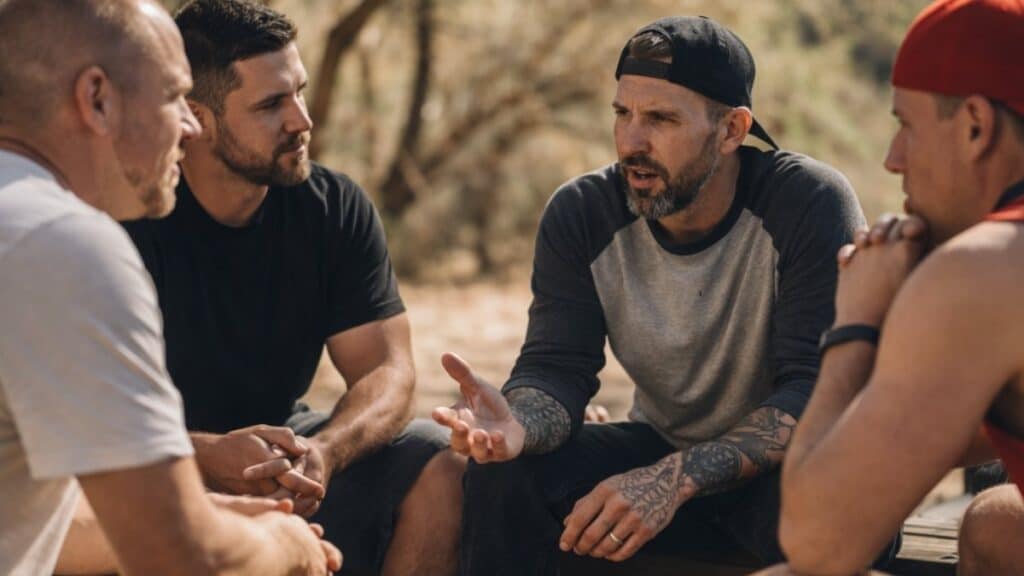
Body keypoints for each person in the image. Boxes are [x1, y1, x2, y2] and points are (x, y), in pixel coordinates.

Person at [432, 15, 880, 575]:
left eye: (661, 118)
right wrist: (515, 425)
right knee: (505, 473)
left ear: (732, 130)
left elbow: (813, 391)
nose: (632, 141)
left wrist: (677, 479)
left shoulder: (808, 203)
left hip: (783, 474)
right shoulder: (581, 212)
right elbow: (556, 367)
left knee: (841, 507)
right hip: (658, 446)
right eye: (622, 114)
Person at [121, 1, 463, 574]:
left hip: (286, 450)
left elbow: (388, 370)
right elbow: (85, 422)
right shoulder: (127, 217)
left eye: (299, 92)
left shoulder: (333, 208)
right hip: (154, 462)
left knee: (442, 466)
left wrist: (324, 453)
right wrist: (203, 455)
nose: (302, 119)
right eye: (271, 104)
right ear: (196, 117)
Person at [0, 1, 341, 575]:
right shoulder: (62, 244)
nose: (190, 127)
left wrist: (205, 514)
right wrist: (287, 547)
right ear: (97, 99)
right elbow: (180, 558)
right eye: (171, 98)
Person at [768, 0, 1024, 574]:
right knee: (993, 526)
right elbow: (933, 437)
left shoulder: (982, 268)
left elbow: (817, 542)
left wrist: (855, 321)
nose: (891, 159)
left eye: (906, 125)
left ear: (976, 126)